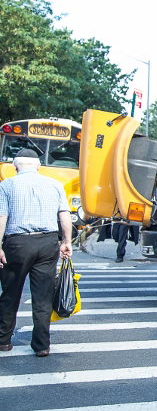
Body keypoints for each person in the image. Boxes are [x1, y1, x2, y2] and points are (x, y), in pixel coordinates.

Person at [0, 149, 72, 357]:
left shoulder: (6, 186)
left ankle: (4, 340)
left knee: (10, 293)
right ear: (38, 166)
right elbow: (64, 216)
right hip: (48, 242)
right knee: (42, 296)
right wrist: (66, 242)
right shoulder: (55, 185)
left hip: (17, 244)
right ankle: (42, 345)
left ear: (15, 167)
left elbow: (2, 217)